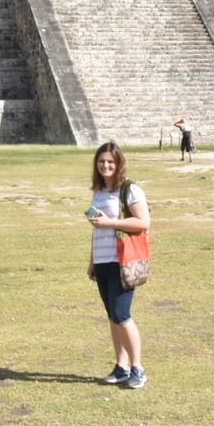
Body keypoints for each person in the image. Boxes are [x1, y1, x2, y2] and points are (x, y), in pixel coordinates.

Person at [86, 140, 150, 389]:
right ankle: (121, 366)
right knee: (113, 316)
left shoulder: (130, 190)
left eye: (110, 162)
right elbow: (96, 230)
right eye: (101, 161)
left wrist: (110, 223)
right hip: (103, 260)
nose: (105, 165)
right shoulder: (99, 192)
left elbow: (143, 222)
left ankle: (138, 368)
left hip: (123, 261)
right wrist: (92, 261)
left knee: (123, 315)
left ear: (118, 163)